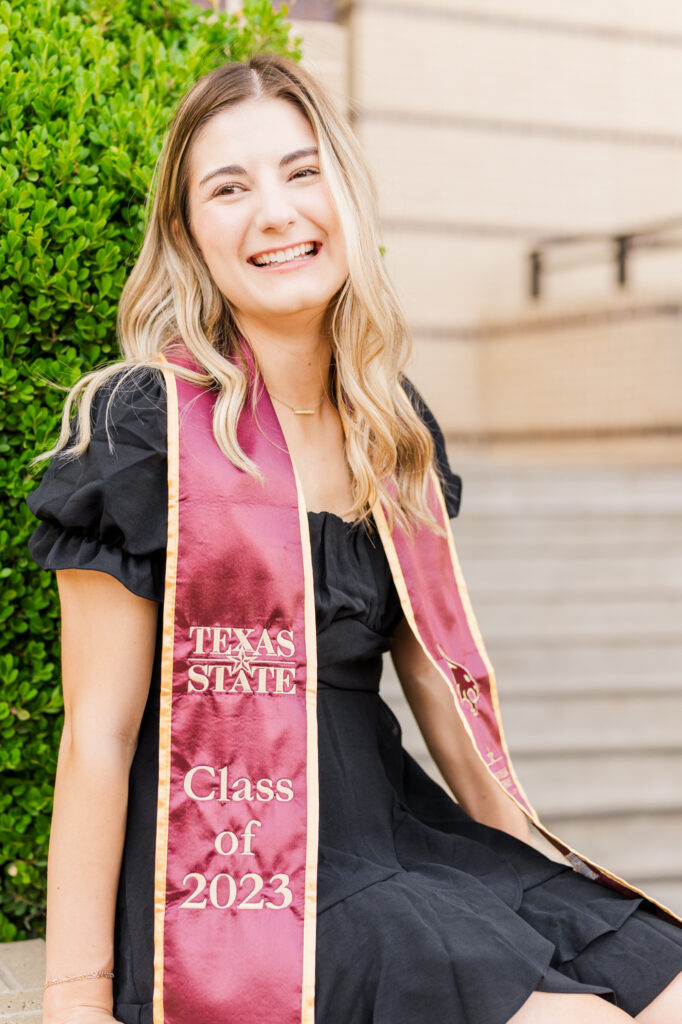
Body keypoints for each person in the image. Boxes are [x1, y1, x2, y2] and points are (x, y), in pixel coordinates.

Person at [26, 54, 682, 1024]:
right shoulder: (147, 429)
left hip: (396, 829)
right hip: (234, 869)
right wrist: (73, 998)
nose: (277, 213)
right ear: (187, 232)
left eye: (301, 173)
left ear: (343, 194)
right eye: (229, 187)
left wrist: (532, 892)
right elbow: (98, 733)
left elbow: (446, 711)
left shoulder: (388, 423)